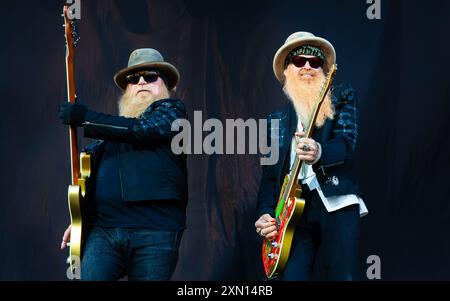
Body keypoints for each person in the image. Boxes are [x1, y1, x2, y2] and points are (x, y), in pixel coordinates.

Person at [58, 48, 188, 281]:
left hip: (155, 231)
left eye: (150, 76)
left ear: (166, 86)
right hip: (104, 231)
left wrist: (86, 117)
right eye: (133, 79)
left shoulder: (173, 113)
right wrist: (80, 220)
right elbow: (88, 183)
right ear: (127, 89)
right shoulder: (108, 137)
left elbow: (143, 130)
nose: (141, 82)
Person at [255, 32, 368, 281]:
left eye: (315, 62)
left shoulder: (342, 97)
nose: (307, 66)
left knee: (342, 276)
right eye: (298, 60)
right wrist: (264, 212)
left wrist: (320, 152)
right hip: (292, 214)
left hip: (335, 201)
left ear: (325, 71)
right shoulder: (275, 121)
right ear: (286, 70)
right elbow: (269, 177)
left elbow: (346, 144)